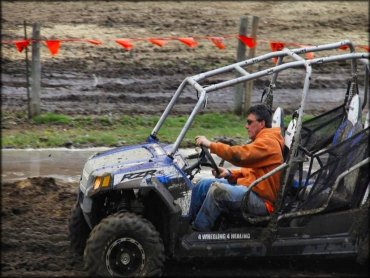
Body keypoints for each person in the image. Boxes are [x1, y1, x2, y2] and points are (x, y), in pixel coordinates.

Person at [188, 104, 284, 231]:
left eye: (250, 122)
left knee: (217, 192)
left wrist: (211, 145)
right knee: (202, 185)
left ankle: (197, 233)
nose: (246, 126)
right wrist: (229, 173)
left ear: (261, 123)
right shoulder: (263, 139)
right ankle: (186, 225)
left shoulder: (268, 143)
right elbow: (253, 172)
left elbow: (240, 156)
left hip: (263, 201)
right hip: (253, 189)